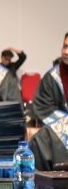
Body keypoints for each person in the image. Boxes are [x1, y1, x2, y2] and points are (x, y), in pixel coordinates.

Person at [29, 32, 68, 170]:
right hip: (61, 131)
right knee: (41, 140)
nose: (66, 52)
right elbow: (43, 106)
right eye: (65, 46)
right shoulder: (52, 77)